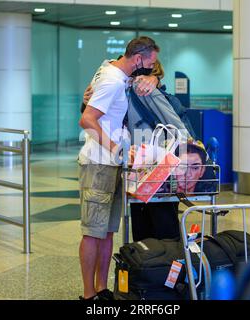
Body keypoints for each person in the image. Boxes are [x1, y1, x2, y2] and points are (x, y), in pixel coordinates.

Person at [78, 36, 159, 301]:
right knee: (93, 232)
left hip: (113, 165)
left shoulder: (114, 73)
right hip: (99, 164)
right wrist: (116, 148)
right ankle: (89, 294)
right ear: (138, 59)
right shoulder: (113, 79)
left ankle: (102, 289)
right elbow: (87, 120)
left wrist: (154, 79)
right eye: (149, 63)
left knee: (108, 231)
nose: (150, 69)